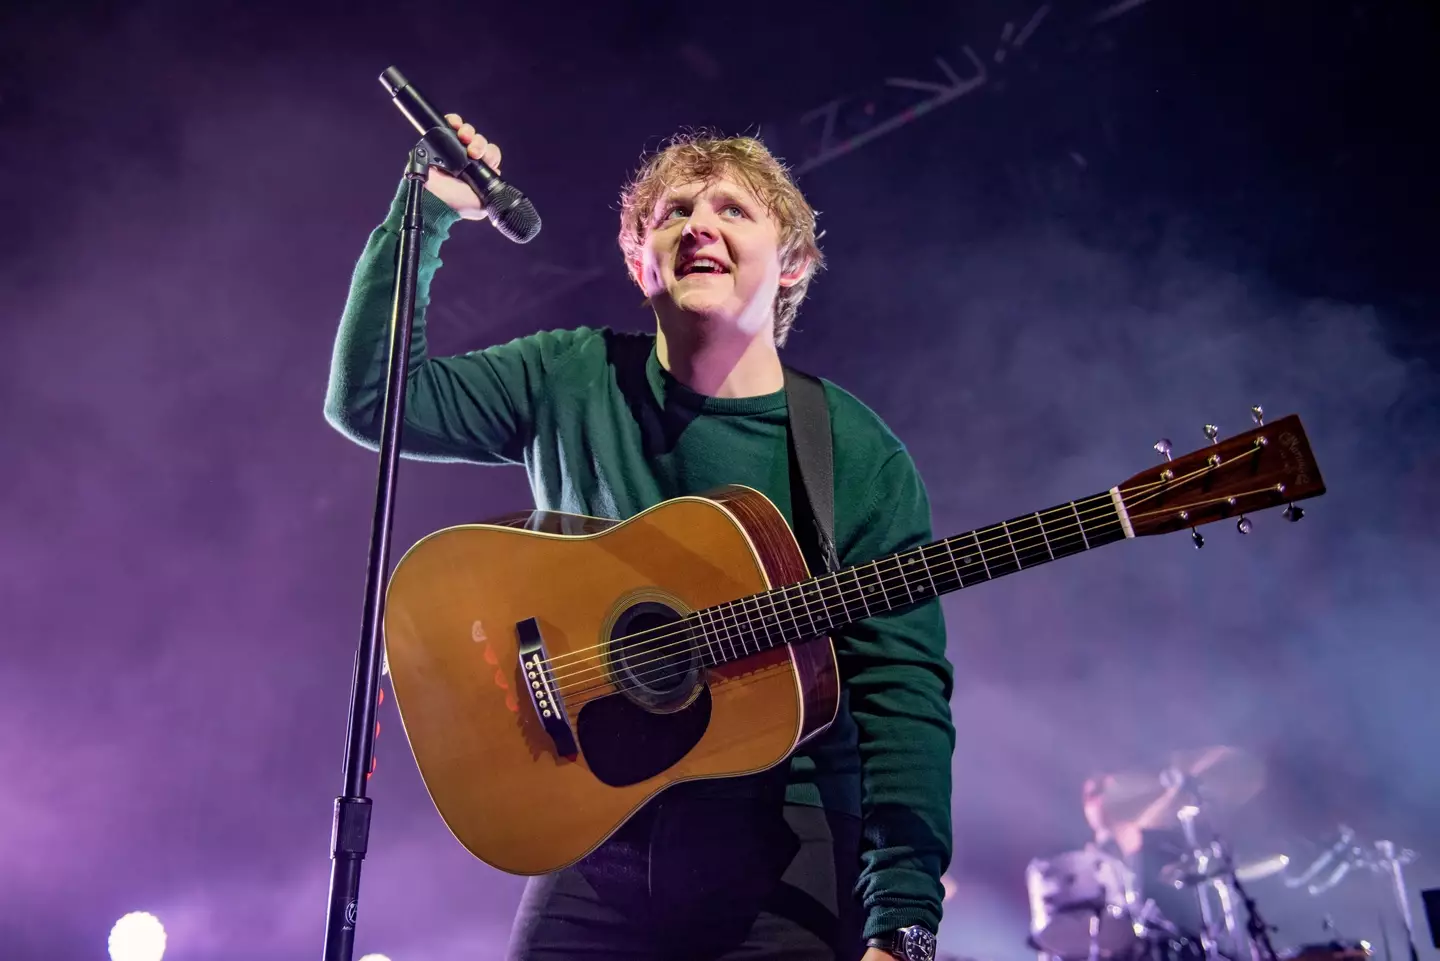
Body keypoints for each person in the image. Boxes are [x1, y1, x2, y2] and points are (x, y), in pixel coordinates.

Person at [325, 114, 956, 961]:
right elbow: (371, 399)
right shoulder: (571, 373)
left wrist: (903, 924)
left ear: (794, 265)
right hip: (595, 830)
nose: (698, 223)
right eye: (672, 212)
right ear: (639, 262)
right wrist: (427, 212)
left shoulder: (856, 452)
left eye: (733, 210)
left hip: (787, 839)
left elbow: (902, 694)